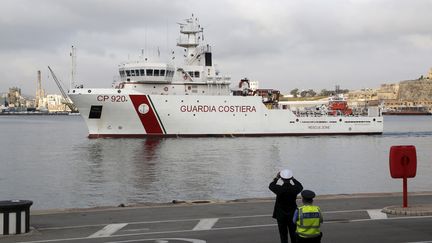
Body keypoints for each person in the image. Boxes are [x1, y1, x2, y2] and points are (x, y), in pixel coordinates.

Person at [269, 169, 303, 243]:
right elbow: (300, 186)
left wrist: (276, 178)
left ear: (282, 178)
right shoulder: (294, 188)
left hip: (280, 214)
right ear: (290, 178)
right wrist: (293, 179)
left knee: (283, 235)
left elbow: (271, 185)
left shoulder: (279, 189)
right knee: (293, 234)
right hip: (292, 214)